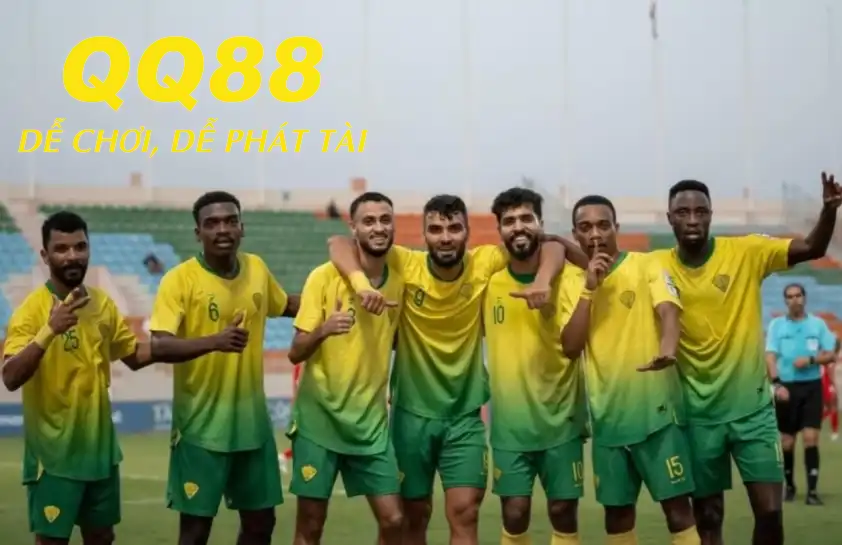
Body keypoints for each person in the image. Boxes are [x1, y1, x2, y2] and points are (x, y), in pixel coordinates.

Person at [327, 193, 586, 545]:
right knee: (413, 516)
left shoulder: (485, 262)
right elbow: (338, 242)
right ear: (423, 235)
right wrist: (360, 285)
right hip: (411, 416)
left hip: (465, 418)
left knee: (465, 512)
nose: (445, 237)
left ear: (467, 232)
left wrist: (543, 278)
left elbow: (550, 245)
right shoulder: (405, 263)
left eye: (454, 228)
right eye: (436, 229)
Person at [1, 211, 247, 545]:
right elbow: (10, 376)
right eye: (61, 249)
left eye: (80, 247)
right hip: (54, 458)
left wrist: (212, 341)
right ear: (45, 256)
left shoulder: (101, 304)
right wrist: (49, 331)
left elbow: (135, 355)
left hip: (101, 455)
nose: (72, 256)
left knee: (103, 538)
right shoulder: (32, 311)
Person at [653, 173, 842, 545]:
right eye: (683, 212)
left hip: (752, 412)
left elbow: (812, 248)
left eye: (701, 212)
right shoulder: (654, 265)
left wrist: (829, 210)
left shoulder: (746, 251)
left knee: (770, 513)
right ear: (670, 218)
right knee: (709, 516)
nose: (692, 219)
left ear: (711, 215)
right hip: (697, 415)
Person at [149, 191, 300, 545]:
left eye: (231, 221)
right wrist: (214, 341)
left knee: (261, 525)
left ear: (241, 228)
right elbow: (159, 345)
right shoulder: (179, 280)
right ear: (197, 232)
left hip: (252, 427)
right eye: (212, 223)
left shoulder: (257, 269)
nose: (222, 229)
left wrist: (335, 302)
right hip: (200, 429)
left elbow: (287, 305)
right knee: (195, 532)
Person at [559, 195, 700, 545]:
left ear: (616, 228)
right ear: (575, 234)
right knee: (617, 518)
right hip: (607, 421)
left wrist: (667, 348)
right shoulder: (570, 284)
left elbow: (669, 311)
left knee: (678, 511)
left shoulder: (646, 264)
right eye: (586, 227)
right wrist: (589, 289)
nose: (595, 234)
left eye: (603, 225)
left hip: (657, 417)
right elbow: (571, 347)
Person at [286, 191, 404, 545]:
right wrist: (324, 330)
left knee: (395, 520)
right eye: (368, 221)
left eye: (385, 220)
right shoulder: (323, 278)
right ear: (354, 227)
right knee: (310, 525)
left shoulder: (400, 279)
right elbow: (295, 352)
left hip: (370, 426)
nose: (378, 228)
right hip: (319, 422)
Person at [484, 188, 587, 545]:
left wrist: (547, 273)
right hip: (510, 426)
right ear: (499, 230)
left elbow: (598, 267)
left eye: (526, 218)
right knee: (514, 513)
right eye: (509, 221)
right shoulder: (489, 283)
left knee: (563, 510)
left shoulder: (569, 279)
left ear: (540, 224)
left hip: (562, 421)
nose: (518, 227)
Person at [765, 282, 836, 505]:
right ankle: (790, 486)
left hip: (811, 387)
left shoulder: (817, 324)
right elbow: (770, 357)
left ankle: (812, 492)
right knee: (787, 441)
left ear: (804, 298)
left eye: (798, 295)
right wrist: (777, 384)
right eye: (789, 296)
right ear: (785, 301)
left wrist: (811, 360)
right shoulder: (777, 325)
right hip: (786, 388)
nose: (794, 300)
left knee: (810, 437)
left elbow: (831, 353)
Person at [824, 340, 839, 440]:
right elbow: (830, 372)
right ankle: (834, 431)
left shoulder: (831, 356)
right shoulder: (829, 356)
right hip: (829, 384)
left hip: (829, 383)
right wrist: (833, 385)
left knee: (831, 407)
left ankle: (834, 430)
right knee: (832, 406)